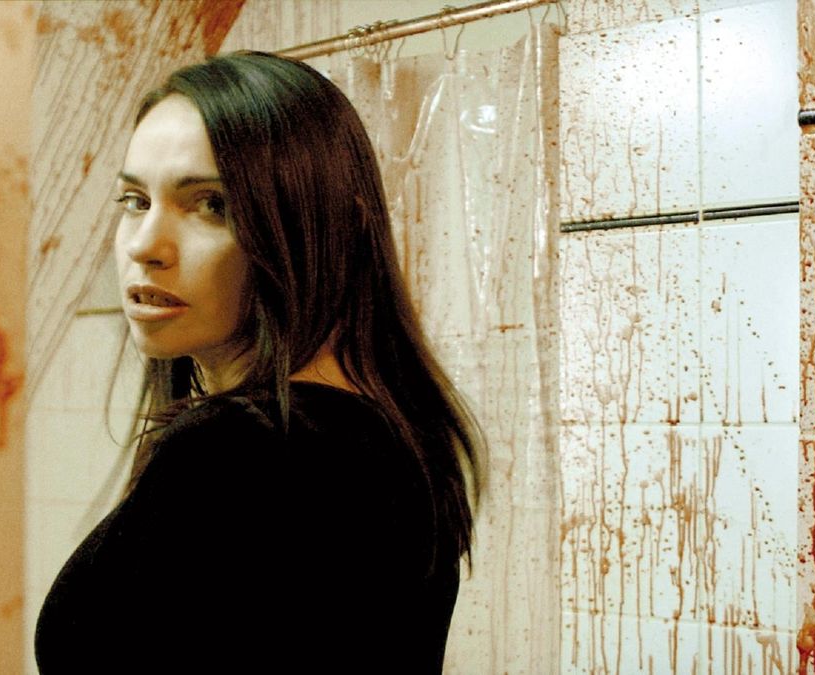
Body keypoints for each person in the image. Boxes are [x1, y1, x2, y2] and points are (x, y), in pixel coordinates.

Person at [35, 51, 483, 673]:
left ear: (319, 224)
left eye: (211, 204)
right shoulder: (403, 439)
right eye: (136, 200)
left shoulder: (241, 449)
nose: (144, 246)